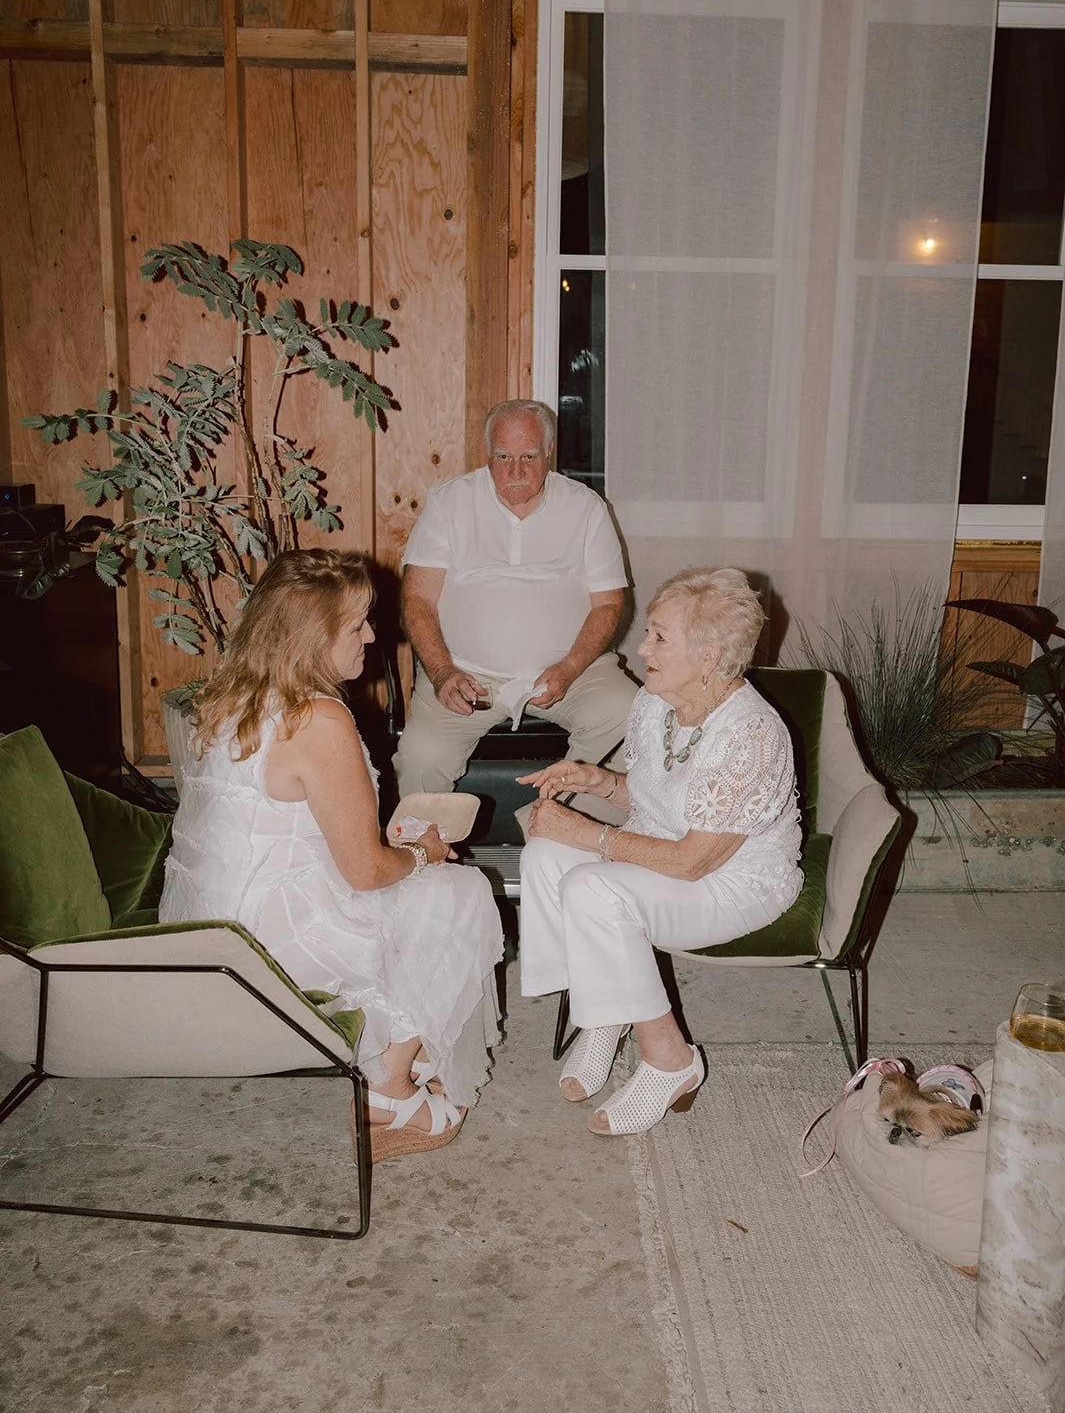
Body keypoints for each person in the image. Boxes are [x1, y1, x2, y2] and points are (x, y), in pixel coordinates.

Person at [159, 548, 504, 1161]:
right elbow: (366, 873)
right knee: (460, 893)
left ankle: (395, 1054)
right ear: (312, 637)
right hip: (270, 949)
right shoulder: (316, 717)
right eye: (357, 625)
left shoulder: (231, 695)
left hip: (215, 927)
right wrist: (422, 854)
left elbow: (286, 829)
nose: (373, 636)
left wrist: (390, 851)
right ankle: (388, 1088)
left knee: (419, 888)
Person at [518, 567, 802, 1138]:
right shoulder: (656, 703)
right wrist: (599, 783)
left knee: (591, 887)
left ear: (709, 656)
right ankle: (606, 1012)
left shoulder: (751, 734)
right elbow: (656, 799)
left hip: (734, 884)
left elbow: (693, 860)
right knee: (546, 853)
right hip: (665, 859)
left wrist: (589, 835)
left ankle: (671, 1061)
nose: (641, 648)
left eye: (659, 637)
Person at [393, 398, 638, 799]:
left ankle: (554, 821)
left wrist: (570, 667)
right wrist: (440, 672)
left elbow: (609, 605)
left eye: (529, 456)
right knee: (421, 757)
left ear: (548, 453)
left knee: (629, 713)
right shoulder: (448, 502)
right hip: (463, 673)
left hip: (571, 672)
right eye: (504, 456)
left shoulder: (587, 508)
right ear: (488, 456)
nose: (516, 470)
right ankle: (424, 853)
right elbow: (417, 599)